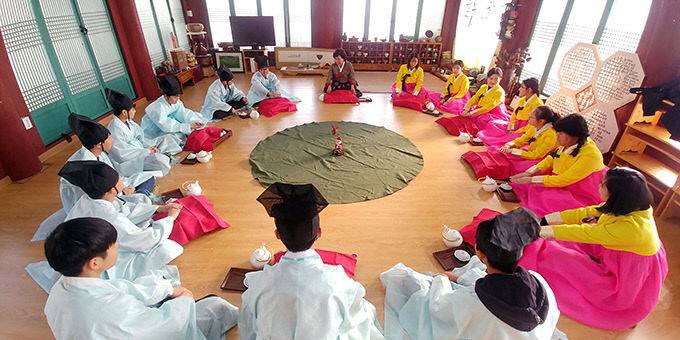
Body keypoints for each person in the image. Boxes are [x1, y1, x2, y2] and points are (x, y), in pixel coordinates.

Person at [518, 167, 668, 329]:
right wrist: (544, 221)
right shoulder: (631, 206)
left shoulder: (629, 229)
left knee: (562, 261)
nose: (599, 186)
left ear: (617, 196)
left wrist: (539, 231)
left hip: (633, 269)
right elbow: (588, 212)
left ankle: (628, 308)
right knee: (565, 243)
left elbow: (583, 232)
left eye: (603, 185)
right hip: (625, 250)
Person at [44, 217, 238, 340]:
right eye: (113, 245)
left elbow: (121, 289)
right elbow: (163, 328)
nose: (118, 245)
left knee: (156, 282)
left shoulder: (60, 290)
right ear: (94, 262)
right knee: (215, 306)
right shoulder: (110, 310)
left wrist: (168, 290)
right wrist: (184, 301)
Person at [380, 208, 560, 339]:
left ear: (479, 253)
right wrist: (460, 279)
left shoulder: (472, 304)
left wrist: (442, 280)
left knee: (403, 280)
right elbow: (497, 287)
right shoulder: (540, 282)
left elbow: (438, 309)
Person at [238, 183, 384, 339]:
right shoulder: (336, 279)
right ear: (319, 233)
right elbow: (353, 315)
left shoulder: (261, 282)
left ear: (277, 234)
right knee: (366, 310)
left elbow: (251, 323)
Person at [61, 160, 183, 282]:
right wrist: (170, 219)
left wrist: (159, 208)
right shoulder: (109, 217)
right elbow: (144, 240)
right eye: (119, 179)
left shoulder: (88, 199)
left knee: (140, 199)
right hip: (96, 262)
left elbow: (125, 209)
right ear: (112, 190)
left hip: (86, 250)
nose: (122, 180)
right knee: (168, 248)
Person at [509, 114, 606, 216]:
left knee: (548, 198)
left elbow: (565, 179)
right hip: (562, 180)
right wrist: (529, 173)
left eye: (560, 134)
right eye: (557, 133)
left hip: (580, 191)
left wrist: (531, 179)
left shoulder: (591, 155)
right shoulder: (570, 143)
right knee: (531, 186)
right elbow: (551, 158)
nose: (557, 136)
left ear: (575, 136)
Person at [61, 113, 159, 212]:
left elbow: (114, 171)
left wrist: (122, 185)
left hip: (113, 189)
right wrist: (122, 193)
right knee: (140, 202)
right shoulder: (83, 166)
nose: (112, 140)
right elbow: (94, 196)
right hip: (97, 204)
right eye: (108, 137)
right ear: (99, 144)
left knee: (148, 177)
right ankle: (140, 195)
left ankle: (139, 195)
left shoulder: (99, 153)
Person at [106, 88, 180, 178]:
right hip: (130, 160)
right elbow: (122, 154)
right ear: (124, 112)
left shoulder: (128, 121)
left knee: (168, 138)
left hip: (140, 149)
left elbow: (140, 138)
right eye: (132, 109)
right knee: (160, 160)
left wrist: (150, 147)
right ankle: (162, 156)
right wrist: (146, 151)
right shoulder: (114, 129)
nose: (135, 111)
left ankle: (162, 154)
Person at [477, 77, 543, 146]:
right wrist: (511, 128)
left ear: (529, 90)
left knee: (512, 139)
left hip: (526, 131)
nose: (519, 89)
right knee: (492, 123)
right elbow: (514, 116)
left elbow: (533, 126)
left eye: (522, 87)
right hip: (516, 126)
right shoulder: (522, 100)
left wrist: (517, 131)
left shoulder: (537, 104)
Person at [141, 76, 206, 143]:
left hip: (168, 126)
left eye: (178, 95)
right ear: (165, 96)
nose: (177, 98)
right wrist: (188, 126)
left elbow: (183, 113)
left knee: (195, 122)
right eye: (175, 96)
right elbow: (165, 125)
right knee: (174, 138)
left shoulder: (176, 101)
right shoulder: (157, 107)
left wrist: (194, 121)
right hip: (155, 132)